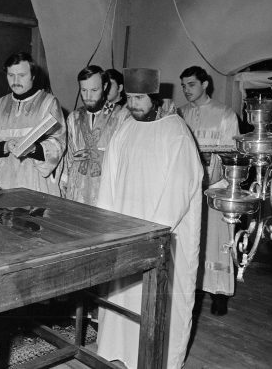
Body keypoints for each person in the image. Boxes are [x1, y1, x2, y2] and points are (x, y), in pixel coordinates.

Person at [95, 68, 203, 369]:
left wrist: (153, 232)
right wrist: (108, 224)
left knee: (160, 299)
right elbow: (109, 181)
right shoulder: (125, 128)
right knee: (123, 294)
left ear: (155, 98)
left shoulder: (176, 132)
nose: (133, 104)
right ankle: (118, 351)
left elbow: (180, 189)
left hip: (160, 234)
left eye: (140, 98)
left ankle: (159, 360)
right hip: (125, 231)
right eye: (129, 97)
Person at [178, 65, 239, 316]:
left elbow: (234, 154)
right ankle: (194, 288)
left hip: (217, 187)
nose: (186, 90)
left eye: (191, 84)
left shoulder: (225, 114)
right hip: (189, 187)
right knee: (192, 238)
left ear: (205, 84)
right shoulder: (180, 114)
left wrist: (210, 158)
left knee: (217, 241)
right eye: (183, 86)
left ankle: (220, 293)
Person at [0, 52, 65, 195]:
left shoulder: (48, 103)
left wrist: (33, 149)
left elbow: (58, 142)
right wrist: (4, 146)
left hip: (35, 182)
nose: (16, 80)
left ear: (33, 76)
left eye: (22, 75)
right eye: (11, 75)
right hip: (3, 182)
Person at [60, 65, 129, 205]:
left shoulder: (121, 116)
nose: (88, 96)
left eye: (94, 90)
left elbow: (125, 158)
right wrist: (63, 184)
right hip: (76, 189)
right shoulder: (74, 117)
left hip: (106, 189)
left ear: (104, 86)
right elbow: (68, 156)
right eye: (84, 90)